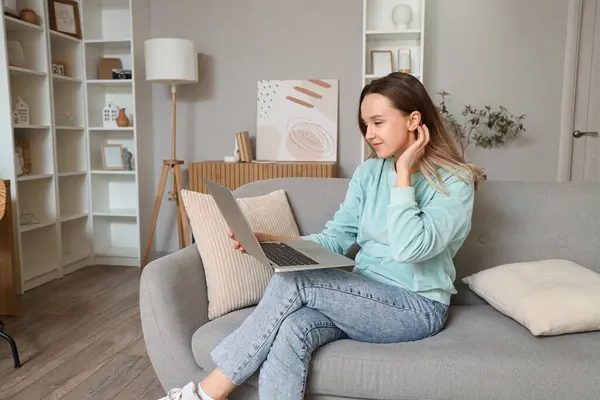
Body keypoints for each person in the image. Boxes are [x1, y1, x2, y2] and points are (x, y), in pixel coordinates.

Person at [160, 72, 485, 400]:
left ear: (414, 120)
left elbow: (410, 249)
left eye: (378, 122)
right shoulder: (369, 173)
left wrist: (403, 173)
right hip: (362, 297)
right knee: (293, 328)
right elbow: (336, 238)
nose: (369, 134)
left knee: (296, 282)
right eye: (365, 125)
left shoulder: (455, 182)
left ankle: (205, 393)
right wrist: (270, 243)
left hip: (416, 306)